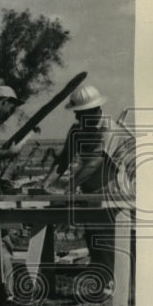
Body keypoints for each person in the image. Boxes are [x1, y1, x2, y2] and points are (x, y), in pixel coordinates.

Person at [40, 84, 129, 294]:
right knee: (92, 235)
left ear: (95, 110)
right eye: (77, 114)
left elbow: (94, 162)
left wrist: (68, 189)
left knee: (106, 235)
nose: (78, 118)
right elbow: (63, 160)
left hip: (114, 189)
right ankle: (103, 280)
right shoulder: (77, 130)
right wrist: (45, 184)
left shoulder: (109, 128)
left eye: (81, 113)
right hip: (91, 191)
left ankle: (110, 283)